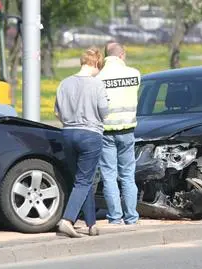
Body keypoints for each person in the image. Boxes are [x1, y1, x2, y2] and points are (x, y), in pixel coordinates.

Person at [55, 47, 109, 238]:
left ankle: (91, 224)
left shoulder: (64, 83)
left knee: (79, 180)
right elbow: (104, 111)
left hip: (68, 133)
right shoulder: (97, 85)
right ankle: (67, 220)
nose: (98, 71)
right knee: (85, 180)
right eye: (99, 67)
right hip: (90, 135)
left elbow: (57, 113)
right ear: (95, 63)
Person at [96, 42, 140, 225]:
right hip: (128, 131)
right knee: (128, 175)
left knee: (109, 175)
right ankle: (131, 217)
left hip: (106, 132)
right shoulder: (134, 74)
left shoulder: (98, 77)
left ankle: (115, 217)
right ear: (122, 55)